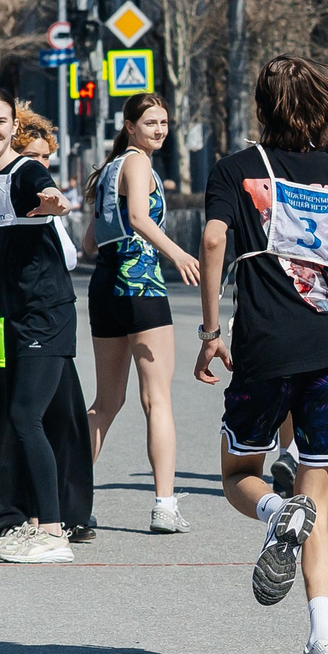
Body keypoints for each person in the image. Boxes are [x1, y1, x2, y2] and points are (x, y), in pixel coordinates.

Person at [196, 55, 328, 654]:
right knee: (323, 508)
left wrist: (209, 332)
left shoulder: (236, 168)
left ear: (261, 107)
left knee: (237, 474)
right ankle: (325, 648)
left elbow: (210, 242)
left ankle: (275, 511)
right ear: (321, 111)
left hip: (264, 347)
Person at [0, 94, 92, 562]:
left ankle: (51, 530)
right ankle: (40, 522)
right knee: (27, 416)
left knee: (25, 416)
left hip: (46, 312)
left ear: (13, 126)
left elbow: (50, 196)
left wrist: (54, 202)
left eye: (0, 122)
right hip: (17, 312)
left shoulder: (26, 170)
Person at [81, 92, 201, 533]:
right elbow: (137, 217)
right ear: (130, 126)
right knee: (157, 399)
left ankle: (72, 496)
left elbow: (90, 243)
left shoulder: (107, 170)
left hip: (105, 289)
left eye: (164, 122)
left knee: (106, 402)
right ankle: (164, 506)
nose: (160, 130)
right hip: (142, 287)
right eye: (151, 122)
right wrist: (176, 253)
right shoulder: (137, 163)